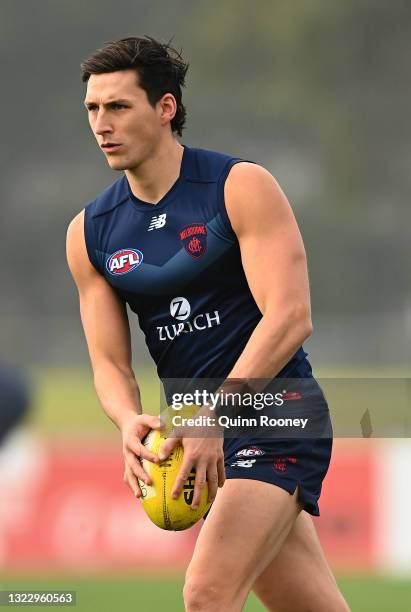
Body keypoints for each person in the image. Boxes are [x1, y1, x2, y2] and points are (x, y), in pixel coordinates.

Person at [67, 36, 349, 612]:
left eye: (119, 106)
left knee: (206, 594)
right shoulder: (90, 232)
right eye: (93, 109)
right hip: (198, 429)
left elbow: (291, 317)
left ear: (165, 107)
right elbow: (109, 362)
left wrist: (212, 415)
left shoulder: (238, 186)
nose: (102, 124)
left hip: (278, 412)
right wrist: (126, 420)